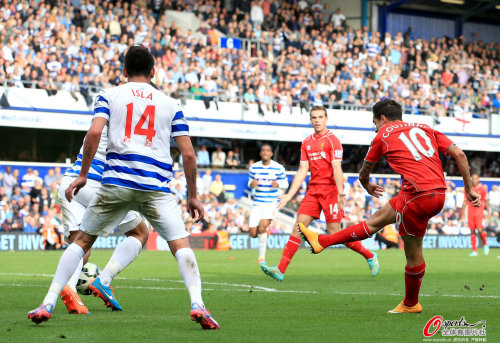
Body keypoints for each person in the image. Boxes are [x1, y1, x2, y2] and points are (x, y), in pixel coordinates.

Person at [28, 46, 219, 330]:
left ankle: (48, 302)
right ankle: (198, 304)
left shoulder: (110, 94)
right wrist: (192, 195)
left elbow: (94, 133)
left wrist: (82, 175)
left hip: (116, 182)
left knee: (81, 242)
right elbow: (189, 155)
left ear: (124, 71)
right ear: (154, 72)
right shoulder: (171, 104)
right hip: (155, 186)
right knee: (180, 245)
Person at [299, 99, 480, 313]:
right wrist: (469, 189)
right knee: (377, 220)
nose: (375, 127)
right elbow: (459, 154)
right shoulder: (425, 128)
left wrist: (367, 185)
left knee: (412, 254)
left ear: (382, 118)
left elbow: (364, 172)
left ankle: (411, 304)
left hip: (416, 195)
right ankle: (323, 241)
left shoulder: (382, 135)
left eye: (374, 122)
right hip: (437, 193)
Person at [260, 106, 378, 282]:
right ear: (311, 119)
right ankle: (280, 269)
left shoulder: (333, 141)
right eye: (314, 117)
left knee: (335, 234)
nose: (317, 120)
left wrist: (340, 192)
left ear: (326, 119)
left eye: (320, 117)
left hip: (330, 191)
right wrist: (289, 195)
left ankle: (369, 255)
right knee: (298, 228)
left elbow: (337, 167)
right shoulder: (306, 142)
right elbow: (302, 170)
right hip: (313, 191)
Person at [51, 116, 151, 315]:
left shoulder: (103, 114)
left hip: (70, 183)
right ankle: (104, 280)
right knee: (140, 232)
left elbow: (94, 135)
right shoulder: (131, 121)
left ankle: (69, 288)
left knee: (80, 246)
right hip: (99, 186)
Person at [248, 144, 288, 264]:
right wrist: (252, 184)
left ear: (271, 154)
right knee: (253, 233)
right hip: (257, 203)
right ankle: (266, 230)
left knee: (261, 228)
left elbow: (285, 184)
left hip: (271, 203)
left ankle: (261, 258)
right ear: (260, 153)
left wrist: (278, 185)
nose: (265, 152)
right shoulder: (254, 168)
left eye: (268, 151)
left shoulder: (278, 168)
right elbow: (250, 182)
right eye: (263, 150)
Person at [462, 174, 490, 256]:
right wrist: (462, 214)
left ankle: (485, 244)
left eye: (476, 179)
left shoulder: (483, 189)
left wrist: (488, 213)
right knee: (472, 230)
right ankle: (474, 251)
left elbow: (487, 201)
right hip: (470, 211)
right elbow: (465, 201)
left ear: (478, 179)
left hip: (479, 211)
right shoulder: (468, 189)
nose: (474, 180)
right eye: (473, 179)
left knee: (480, 229)